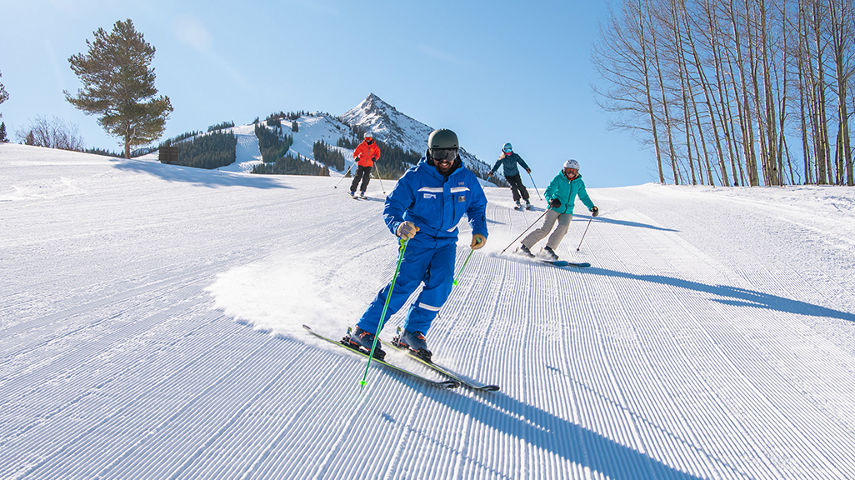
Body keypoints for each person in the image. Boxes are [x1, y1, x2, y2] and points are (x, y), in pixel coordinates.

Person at [344, 129, 488, 362]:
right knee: (405, 284)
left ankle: (411, 333)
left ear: (457, 152)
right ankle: (364, 330)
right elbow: (391, 207)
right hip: (418, 239)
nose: (444, 159)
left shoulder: (466, 178)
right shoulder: (415, 177)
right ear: (429, 152)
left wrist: (480, 229)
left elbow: (477, 206)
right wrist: (399, 226)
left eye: (449, 154)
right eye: (438, 153)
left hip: (446, 242)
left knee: (441, 285)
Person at [518, 159, 598, 261]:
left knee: (563, 228)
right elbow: (548, 191)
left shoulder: (579, 183)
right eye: (568, 170)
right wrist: (551, 200)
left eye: (573, 171)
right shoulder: (559, 179)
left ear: (577, 172)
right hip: (555, 207)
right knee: (545, 229)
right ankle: (524, 247)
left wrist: (591, 207)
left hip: (567, 210)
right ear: (564, 170)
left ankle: (548, 250)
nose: (570, 173)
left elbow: (584, 197)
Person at [488, 142, 532, 210]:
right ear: (503, 150)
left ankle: (526, 200)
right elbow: (497, 165)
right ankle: (517, 201)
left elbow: (521, 162)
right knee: (513, 186)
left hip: (516, 174)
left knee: (520, 185)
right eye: (506, 150)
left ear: (512, 150)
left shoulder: (515, 156)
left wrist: (527, 168)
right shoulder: (502, 157)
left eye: (509, 150)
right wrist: (492, 172)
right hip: (508, 175)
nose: (508, 152)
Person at [350, 132, 381, 198]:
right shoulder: (362, 145)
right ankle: (353, 191)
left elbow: (378, 154)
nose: (367, 139)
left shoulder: (375, 146)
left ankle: (362, 191)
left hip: (369, 164)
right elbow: (355, 153)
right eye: (366, 138)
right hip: (361, 163)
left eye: (369, 138)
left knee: (366, 178)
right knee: (358, 176)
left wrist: (375, 158)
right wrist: (356, 157)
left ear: (371, 138)